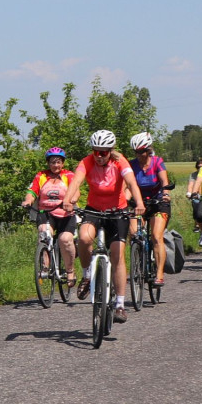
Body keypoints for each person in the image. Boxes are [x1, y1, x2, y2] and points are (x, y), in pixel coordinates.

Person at [62, 130, 145, 324]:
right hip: (94, 209)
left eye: (103, 152)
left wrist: (139, 204)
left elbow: (131, 183)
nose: (99, 156)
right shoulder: (87, 162)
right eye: (96, 151)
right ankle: (87, 275)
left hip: (118, 211)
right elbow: (76, 182)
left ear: (110, 151)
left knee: (117, 254)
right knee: (83, 238)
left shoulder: (120, 162)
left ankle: (120, 305)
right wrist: (67, 200)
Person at [21, 147, 77, 287]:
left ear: (63, 163)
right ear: (48, 163)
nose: (55, 165)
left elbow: (76, 192)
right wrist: (28, 200)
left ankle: (70, 271)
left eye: (58, 162)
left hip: (65, 214)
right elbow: (32, 191)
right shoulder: (41, 176)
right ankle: (46, 266)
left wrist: (71, 201)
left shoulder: (68, 175)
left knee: (66, 239)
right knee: (43, 232)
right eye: (52, 162)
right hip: (46, 213)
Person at [127, 132, 171, 287]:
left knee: (156, 236)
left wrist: (165, 193)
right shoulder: (131, 165)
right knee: (133, 233)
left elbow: (164, 181)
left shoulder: (157, 162)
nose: (139, 155)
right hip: (139, 203)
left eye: (142, 151)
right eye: (136, 152)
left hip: (158, 202)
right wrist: (125, 199)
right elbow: (128, 186)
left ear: (149, 150)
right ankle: (138, 260)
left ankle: (159, 274)